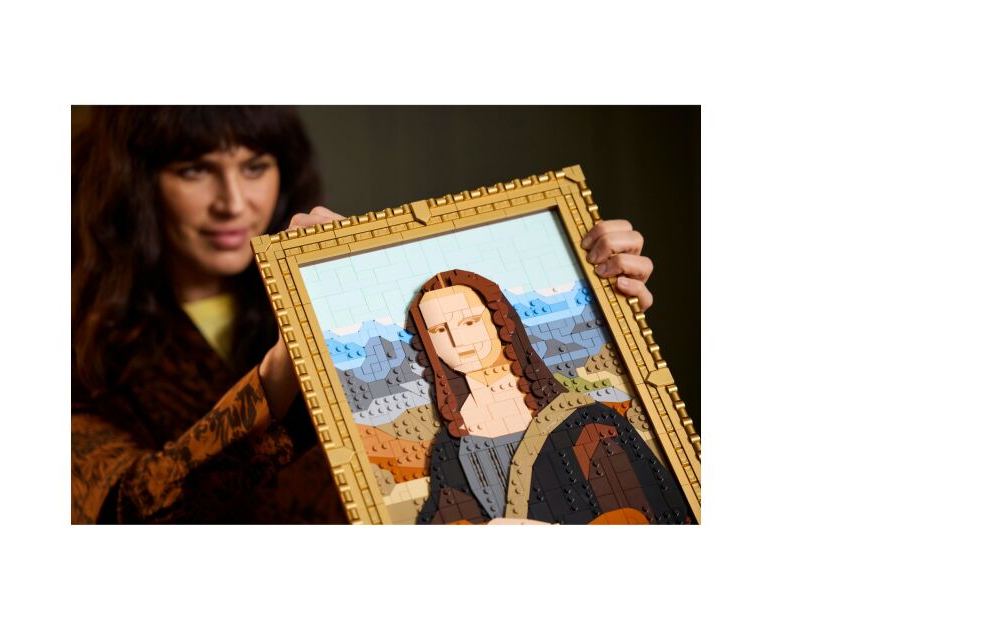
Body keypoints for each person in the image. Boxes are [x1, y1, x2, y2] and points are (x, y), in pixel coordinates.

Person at [71, 105, 660, 524]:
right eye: (195, 169)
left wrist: (593, 288)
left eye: (254, 167)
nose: (233, 202)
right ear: (136, 181)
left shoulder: (347, 295)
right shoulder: (75, 336)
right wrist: (283, 369)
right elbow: (118, 515)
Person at [409, 270, 690, 524]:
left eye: (469, 322)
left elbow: (649, 512)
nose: (456, 340)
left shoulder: (587, 421)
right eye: (439, 330)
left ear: (499, 320)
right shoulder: (449, 445)